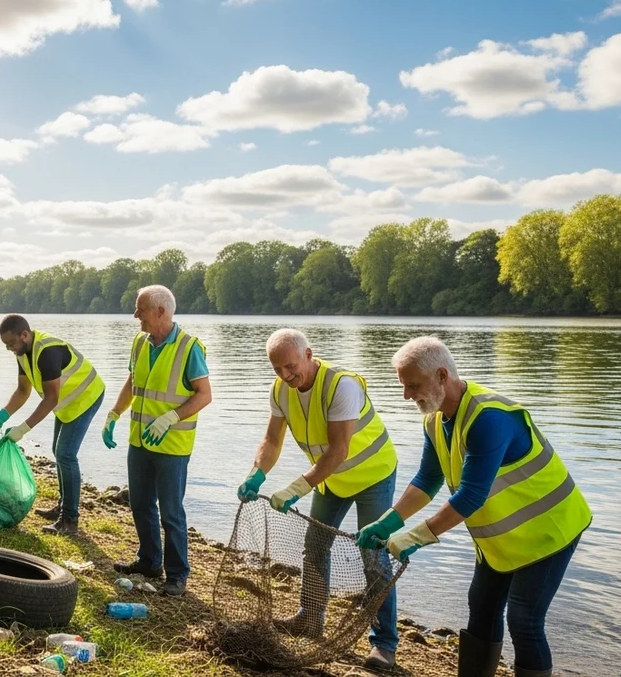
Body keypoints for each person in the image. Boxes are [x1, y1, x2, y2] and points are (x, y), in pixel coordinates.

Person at [358, 337, 592, 677]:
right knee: (481, 608)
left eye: (413, 385)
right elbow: (426, 480)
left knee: (524, 620)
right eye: (403, 386)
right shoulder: (435, 420)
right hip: (502, 540)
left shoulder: (489, 417)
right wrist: (388, 522)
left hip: (550, 533)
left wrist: (414, 537)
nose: (407, 395)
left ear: (441, 376)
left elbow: (470, 496)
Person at [236, 328, 400, 670]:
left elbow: (338, 450)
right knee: (315, 545)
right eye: (277, 368)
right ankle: (310, 619)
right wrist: (257, 473)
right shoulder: (282, 389)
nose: (285, 374)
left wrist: (296, 488)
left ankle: (384, 644)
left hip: (372, 475)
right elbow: (272, 438)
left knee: (373, 556)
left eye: (291, 365)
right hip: (331, 480)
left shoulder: (342, 386)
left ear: (309, 354)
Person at [102, 285, 211, 596]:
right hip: (139, 440)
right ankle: (150, 560)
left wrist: (171, 418)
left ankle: (177, 575)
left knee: (171, 512)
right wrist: (114, 414)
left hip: (173, 446)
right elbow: (132, 381)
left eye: (141, 309)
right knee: (139, 503)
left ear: (161, 312)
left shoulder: (190, 348)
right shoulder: (140, 341)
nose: (136, 315)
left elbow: (205, 395)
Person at [0, 314, 105, 536]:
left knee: (66, 454)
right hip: (67, 401)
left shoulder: (47, 351)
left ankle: (69, 520)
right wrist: (2, 415)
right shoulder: (22, 352)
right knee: (57, 451)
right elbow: (23, 391)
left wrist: (22, 430)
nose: (9, 348)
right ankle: (63, 505)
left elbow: (50, 398)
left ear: (24, 334)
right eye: (6, 345)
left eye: (11, 343)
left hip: (87, 396)